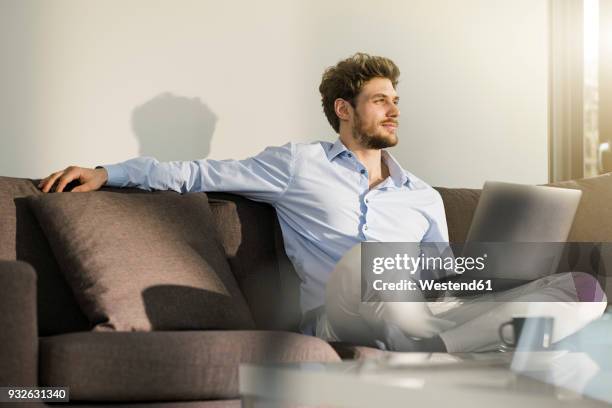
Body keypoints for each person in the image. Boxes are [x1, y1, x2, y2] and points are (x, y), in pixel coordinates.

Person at [38, 53, 606, 352]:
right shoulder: (295, 165)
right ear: (342, 109)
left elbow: (444, 278)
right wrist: (109, 170)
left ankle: (456, 340)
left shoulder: (424, 197)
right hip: (336, 314)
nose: (394, 110)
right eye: (380, 100)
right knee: (370, 265)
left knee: (583, 287)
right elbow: (193, 171)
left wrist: (494, 275)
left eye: (396, 100)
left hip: (422, 310)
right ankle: (486, 339)